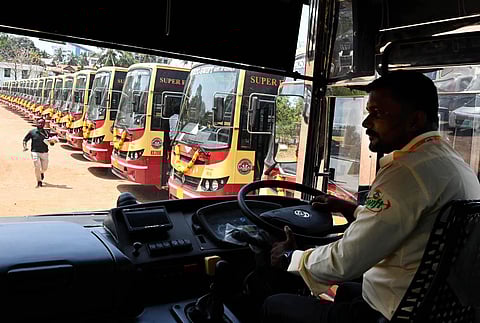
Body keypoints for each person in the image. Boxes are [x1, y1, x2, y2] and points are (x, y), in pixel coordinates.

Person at [262, 71, 480, 323]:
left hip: (392, 312)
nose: (366, 123)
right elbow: (403, 222)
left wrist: (291, 257)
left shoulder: (405, 172)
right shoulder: (452, 163)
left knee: (274, 304)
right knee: (346, 290)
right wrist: (352, 209)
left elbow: (347, 259)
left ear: (415, 121)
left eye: (377, 113)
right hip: (429, 308)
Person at [23, 118, 54, 188]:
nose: (40, 124)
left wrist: (52, 142)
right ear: (36, 123)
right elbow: (25, 140)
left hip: (44, 153)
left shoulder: (46, 133)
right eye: (39, 123)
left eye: (42, 123)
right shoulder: (32, 132)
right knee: (37, 167)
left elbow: (52, 143)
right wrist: (25, 147)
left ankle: (42, 172)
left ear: (44, 124)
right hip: (35, 152)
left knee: (45, 168)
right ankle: (39, 181)